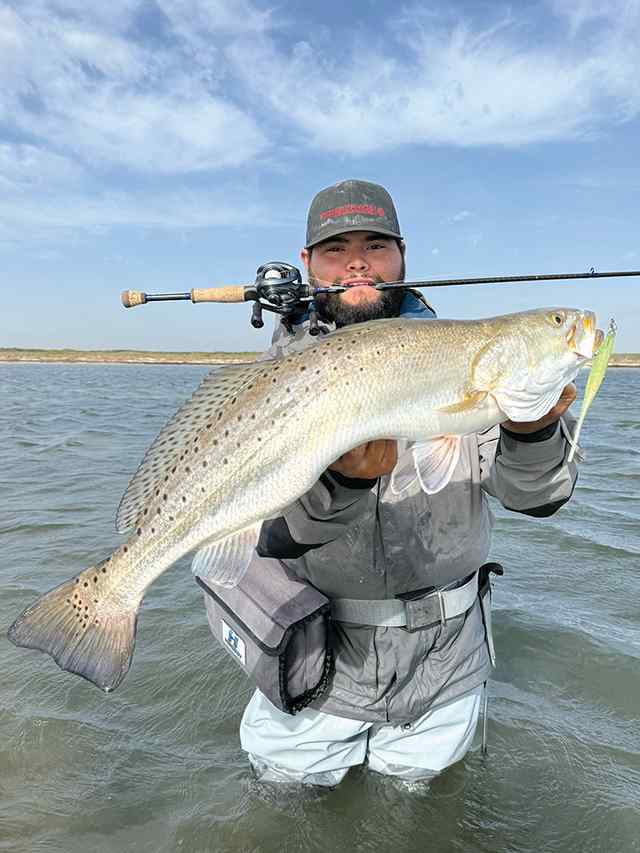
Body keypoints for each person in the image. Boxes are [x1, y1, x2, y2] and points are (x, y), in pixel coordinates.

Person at [204, 179, 579, 786]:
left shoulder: (467, 356)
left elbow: (535, 498)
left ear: (403, 255)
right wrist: (344, 485)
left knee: (420, 808)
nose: (358, 261)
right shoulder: (269, 382)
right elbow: (271, 537)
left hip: (447, 662)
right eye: (336, 248)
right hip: (313, 658)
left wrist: (532, 432)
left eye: (376, 245)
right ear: (307, 264)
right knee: (287, 800)